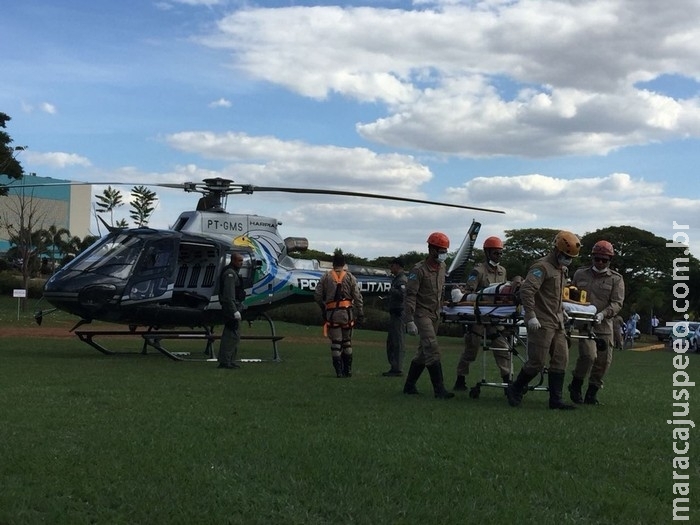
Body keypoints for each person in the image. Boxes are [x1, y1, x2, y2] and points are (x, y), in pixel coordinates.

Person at [506, 230, 581, 410]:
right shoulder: (541, 267)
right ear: (556, 250)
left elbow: (554, 295)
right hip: (541, 321)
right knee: (537, 362)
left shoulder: (562, 270)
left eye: (570, 257)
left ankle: (555, 400)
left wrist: (562, 310)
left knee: (561, 359)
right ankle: (515, 388)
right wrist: (530, 315)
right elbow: (527, 291)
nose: (568, 259)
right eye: (565, 255)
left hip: (557, 321)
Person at [568, 241, 625, 405]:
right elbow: (570, 294)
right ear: (592, 257)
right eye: (597, 259)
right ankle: (576, 385)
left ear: (610, 260)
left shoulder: (616, 279)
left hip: (604, 324)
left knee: (603, 362)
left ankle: (592, 393)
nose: (600, 262)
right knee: (588, 356)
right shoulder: (580, 274)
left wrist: (604, 314)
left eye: (604, 260)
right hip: (584, 324)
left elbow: (617, 303)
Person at [453, 236, 512, 392]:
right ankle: (460, 378)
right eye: (495, 253)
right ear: (487, 253)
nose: (498, 256)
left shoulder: (502, 271)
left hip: (494, 317)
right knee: (471, 350)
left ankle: (507, 381)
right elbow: (469, 292)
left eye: (500, 253)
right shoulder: (477, 271)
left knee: (502, 348)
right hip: (478, 317)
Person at [402, 232, 454, 399]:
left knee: (423, 353)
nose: (443, 253)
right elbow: (410, 295)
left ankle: (409, 386)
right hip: (421, 313)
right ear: (431, 249)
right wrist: (409, 320)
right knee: (432, 348)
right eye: (441, 250)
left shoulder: (443, 267)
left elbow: (441, 291)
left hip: (435, 313)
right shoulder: (418, 270)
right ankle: (439, 390)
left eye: (445, 250)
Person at [314, 249, 364, 378]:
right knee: (347, 342)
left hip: (332, 314)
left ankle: (339, 372)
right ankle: (348, 370)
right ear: (344, 264)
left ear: (333, 263)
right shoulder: (350, 277)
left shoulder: (326, 276)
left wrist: (323, 307)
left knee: (336, 343)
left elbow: (318, 295)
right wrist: (360, 312)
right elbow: (357, 296)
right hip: (347, 314)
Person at [218, 253, 246, 369]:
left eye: (242, 261)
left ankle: (230, 359)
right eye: (239, 261)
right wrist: (234, 311)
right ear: (233, 260)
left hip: (234, 306)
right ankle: (225, 360)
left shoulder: (233, 273)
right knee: (231, 334)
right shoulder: (230, 274)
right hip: (231, 308)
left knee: (235, 335)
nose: (241, 263)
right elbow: (229, 295)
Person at [383, 257, 407, 377]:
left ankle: (397, 368)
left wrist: (391, 290)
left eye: (392, 266)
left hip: (398, 313)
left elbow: (403, 295)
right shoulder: (397, 279)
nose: (390, 268)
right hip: (394, 312)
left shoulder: (401, 280)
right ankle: (394, 366)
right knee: (391, 341)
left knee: (397, 341)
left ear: (397, 266)